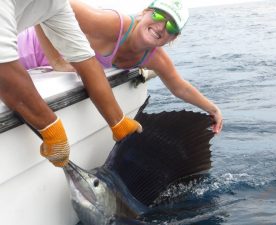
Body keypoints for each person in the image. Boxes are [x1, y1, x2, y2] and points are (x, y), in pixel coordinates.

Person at [18, 0, 223, 133]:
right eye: (159, 16)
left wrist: (212, 108)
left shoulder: (153, 57)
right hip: (24, 50)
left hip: (38, 72)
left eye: (170, 26)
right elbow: (46, 4)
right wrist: (56, 61)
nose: (161, 26)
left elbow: (180, 87)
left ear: (173, 38)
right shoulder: (111, 24)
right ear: (144, 12)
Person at [0, 0, 142, 168]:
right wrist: (51, 129)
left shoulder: (56, 4)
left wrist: (119, 123)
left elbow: (85, 61)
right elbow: (4, 70)